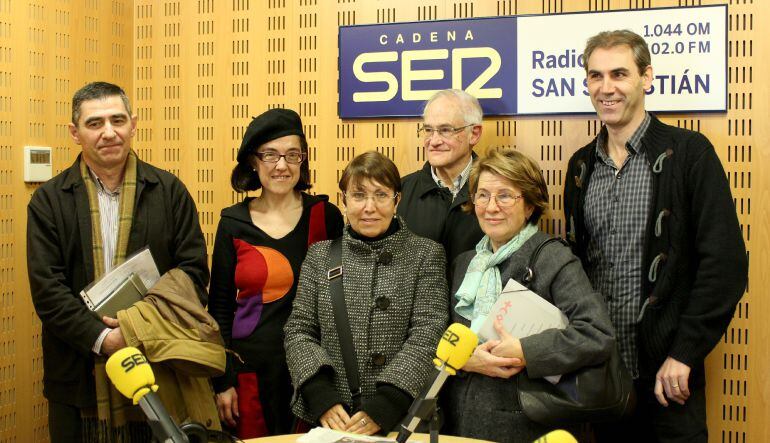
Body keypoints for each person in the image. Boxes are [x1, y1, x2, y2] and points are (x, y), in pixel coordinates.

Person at [564, 30, 748, 443]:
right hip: (604, 378)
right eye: (595, 76)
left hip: (670, 379)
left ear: (646, 78)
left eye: (619, 74)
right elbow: (578, 268)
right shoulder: (580, 167)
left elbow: (725, 265)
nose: (606, 88)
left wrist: (684, 353)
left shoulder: (689, 153)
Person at [26, 82, 209, 442]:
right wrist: (104, 338)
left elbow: (192, 273)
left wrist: (138, 328)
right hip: (77, 376)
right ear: (75, 133)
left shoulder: (169, 191)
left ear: (133, 124)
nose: (109, 132)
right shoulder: (49, 201)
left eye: (118, 120)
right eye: (95, 123)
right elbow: (48, 291)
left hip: (159, 366)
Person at [445, 149, 615, 443]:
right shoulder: (464, 264)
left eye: (505, 196)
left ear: (529, 206)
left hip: (529, 426)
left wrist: (525, 350)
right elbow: (442, 338)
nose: (491, 207)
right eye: (482, 195)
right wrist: (466, 360)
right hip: (462, 424)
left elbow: (596, 334)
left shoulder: (553, 258)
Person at [284, 151, 449, 435]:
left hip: (403, 418)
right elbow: (298, 330)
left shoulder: (426, 254)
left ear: (396, 200)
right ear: (344, 200)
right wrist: (320, 397)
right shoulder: (320, 256)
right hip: (331, 420)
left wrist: (388, 403)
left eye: (381, 195)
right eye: (359, 195)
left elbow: (429, 333)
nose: (369, 207)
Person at [208, 108, 343, 438]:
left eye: (292, 154)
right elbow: (220, 309)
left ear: (303, 160)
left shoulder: (325, 216)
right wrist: (223, 380)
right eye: (270, 154)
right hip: (250, 372)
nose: (282, 165)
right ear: (253, 162)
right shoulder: (233, 223)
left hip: (315, 370)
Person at [397, 89, 485, 265]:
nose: (434, 141)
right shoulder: (401, 191)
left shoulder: (497, 194)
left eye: (445, 130)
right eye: (428, 130)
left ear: (474, 134)